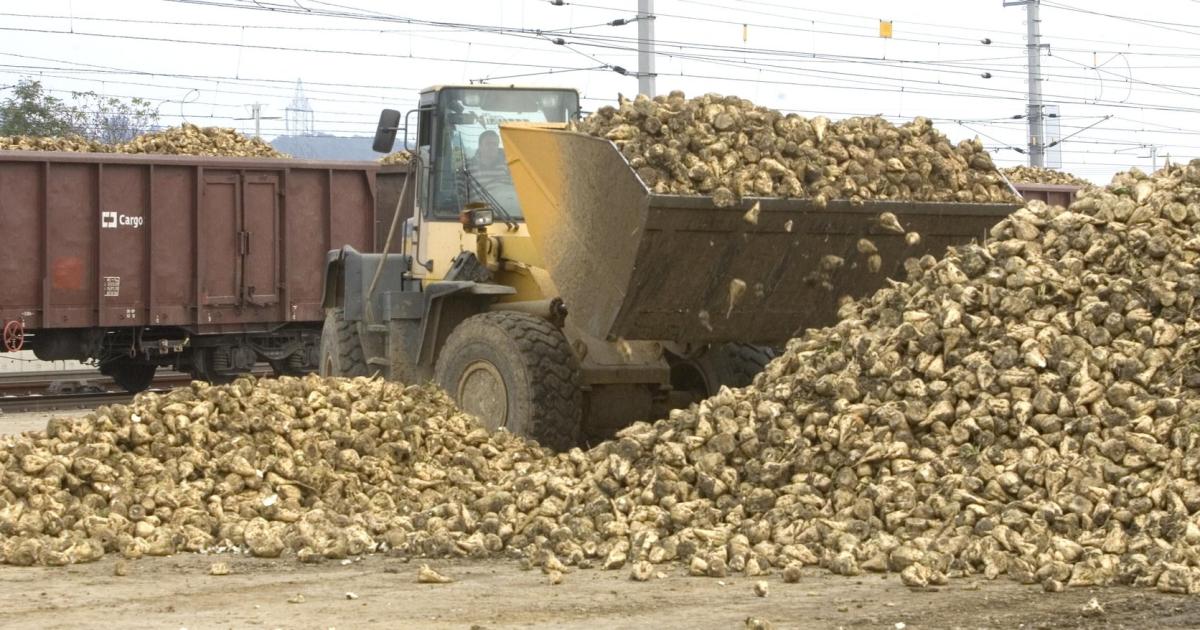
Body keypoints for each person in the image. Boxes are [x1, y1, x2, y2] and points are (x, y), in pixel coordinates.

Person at [465, 130, 512, 200]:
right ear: (480, 146)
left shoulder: (509, 166)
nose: (492, 147)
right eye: (488, 144)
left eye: (494, 144)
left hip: (505, 209)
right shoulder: (467, 167)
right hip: (479, 209)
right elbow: (460, 196)